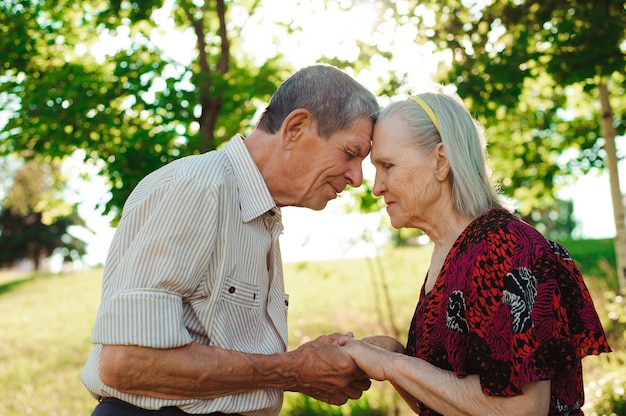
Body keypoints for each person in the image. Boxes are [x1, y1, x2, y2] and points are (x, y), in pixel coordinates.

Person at [81, 64, 382, 416]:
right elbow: (126, 363)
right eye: (350, 153)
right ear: (295, 128)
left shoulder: (262, 215)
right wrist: (294, 369)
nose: (358, 178)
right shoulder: (196, 188)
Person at [341, 90, 611, 415]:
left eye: (387, 165)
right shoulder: (448, 251)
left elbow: (523, 409)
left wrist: (393, 365)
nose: (376, 186)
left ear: (441, 161)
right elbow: (448, 402)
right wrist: (397, 357)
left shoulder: (505, 249)